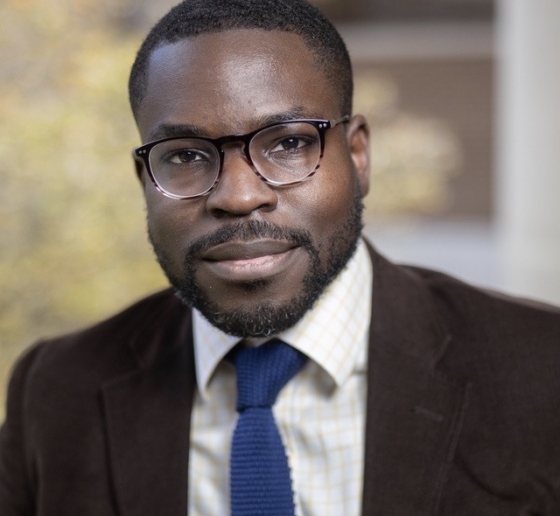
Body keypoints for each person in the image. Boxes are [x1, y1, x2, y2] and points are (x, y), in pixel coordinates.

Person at [1, 0, 560, 514]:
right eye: (186, 156)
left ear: (358, 155)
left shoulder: (541, 371)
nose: (239, 196)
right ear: (145, 179)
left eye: (289, 143)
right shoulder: (56, 391)